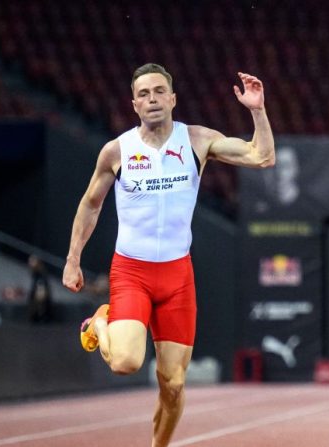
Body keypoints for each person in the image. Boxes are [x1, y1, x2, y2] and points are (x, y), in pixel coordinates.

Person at [62, 63, 274, 446]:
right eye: (143, 94)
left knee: (173, 385)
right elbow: (90, 204)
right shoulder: (117, 150)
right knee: (126, 362)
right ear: (134, 104)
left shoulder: (196, 140)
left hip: (177, 276)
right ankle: (98, 325)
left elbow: (262, 156)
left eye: (159, 91)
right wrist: (73, 258)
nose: (152, 99)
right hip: (131, 272)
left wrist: (256, 110)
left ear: (173, 99)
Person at [27, 255, 52, 324]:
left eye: (32, 262)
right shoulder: (34, 274)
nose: (30, 264)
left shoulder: (41, 274)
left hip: (41, 306)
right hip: (36, 306)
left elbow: (41, 292)